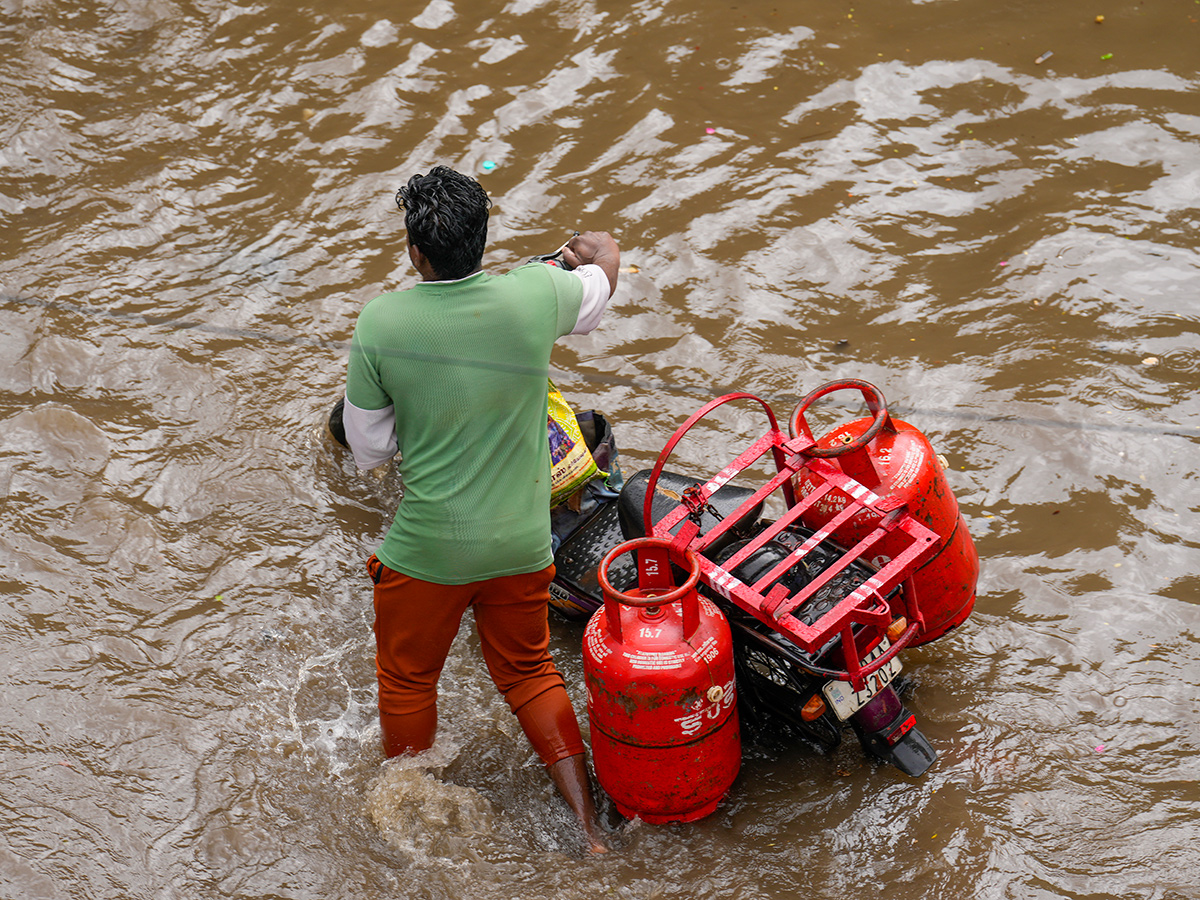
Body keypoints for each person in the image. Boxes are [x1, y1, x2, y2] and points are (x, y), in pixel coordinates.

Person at [340, 165, 619, 853]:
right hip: (522, 546)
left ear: (415, 252)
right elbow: (600, 281)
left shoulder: (381, 319)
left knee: (408, 679)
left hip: (426, 551)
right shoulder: (533, 294)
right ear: (483, 240)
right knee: (528, 672)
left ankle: (407, 814)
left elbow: (369, 452)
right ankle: (588, 830)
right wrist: (593, 250)